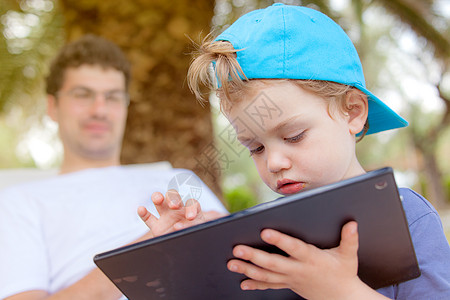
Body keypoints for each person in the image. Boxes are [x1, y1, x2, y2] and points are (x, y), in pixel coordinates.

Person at [168, 3, 449, 299]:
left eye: (294, 136)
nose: (273, 162)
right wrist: (197, 259)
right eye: (256, 147)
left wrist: (340, 291)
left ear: (352, 112)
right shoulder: (262, 238)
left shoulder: (409, 217)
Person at [0, 34, 227, 300]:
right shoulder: (17, 202)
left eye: (113, 97)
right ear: (53, 106)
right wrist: (148, 252)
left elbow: (240, 256)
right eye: (83, 95)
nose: (100, 110)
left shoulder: (176, 179)